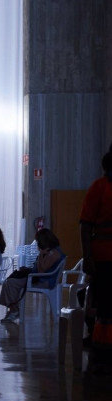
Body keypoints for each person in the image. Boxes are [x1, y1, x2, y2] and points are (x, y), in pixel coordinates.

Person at [80, 142, 112, 371]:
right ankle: (101, 346)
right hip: (103, 256)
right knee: (104, 304)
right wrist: (88, 256)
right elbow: (85, 225)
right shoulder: (98, 188)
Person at [0, 228, 63, 323]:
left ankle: (14, 309)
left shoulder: (53, 253)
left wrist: (41, 254)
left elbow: (41, 271)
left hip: (43, 281)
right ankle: (13, 308)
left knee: (11, 283)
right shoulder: (49, 251)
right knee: (8, 282)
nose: (37, 244)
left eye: (38, 242)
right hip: (35, 277)